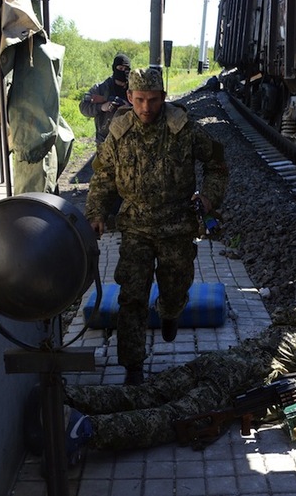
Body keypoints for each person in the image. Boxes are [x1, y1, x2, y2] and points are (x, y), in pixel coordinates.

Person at [57, 286, 296, 457]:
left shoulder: (287, 319)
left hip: (216, 361)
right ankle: (85, 431)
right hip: (233, 383)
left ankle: (68, 395)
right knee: (170, 418)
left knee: (146, 392)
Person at [84, 67, 228, 385]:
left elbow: (217, 161)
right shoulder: (119, 131)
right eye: (138, 100)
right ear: (130, 98)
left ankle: (170, 310)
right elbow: (103, 176)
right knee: (132, 296)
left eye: (152, 100)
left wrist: (208, 198)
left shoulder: (184, 128)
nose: (145, 108)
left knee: (176, 288)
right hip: (136, 226)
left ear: (163, 97)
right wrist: (96, 213)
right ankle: (133, 366)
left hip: (177, 224)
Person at [79, 53, 132, 149]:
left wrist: (128, 107)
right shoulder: (100, 88)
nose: (123, 71)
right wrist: (101, 107)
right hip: (105, 141)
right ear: (114, 68)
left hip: (129, 141)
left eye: (126, 69)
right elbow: (83, 107)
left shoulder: (134, 89)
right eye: (120, 68)